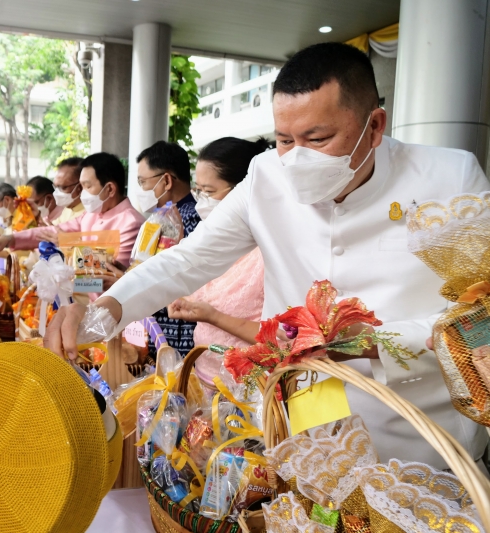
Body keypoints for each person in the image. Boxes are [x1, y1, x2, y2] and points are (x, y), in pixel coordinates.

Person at [46, 42, 490, 470]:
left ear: (375, 126)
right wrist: (104, 310)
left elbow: (479, 317)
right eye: (283, 139)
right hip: (301, 426)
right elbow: (189, 260)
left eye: (318, 138)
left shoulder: (448, 178)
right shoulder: (266, 175)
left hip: (421, 434)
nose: (296, 159)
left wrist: (362, 343)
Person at [168, 137, 270, 349]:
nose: (202, 200)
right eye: (198, 191)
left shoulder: (268, 252)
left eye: (209, 192)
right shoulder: (208, 239)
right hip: (205, 373)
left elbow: (283, 338)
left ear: (243, 190)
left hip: (253, 380)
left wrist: (213, 317)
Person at [0, 153, 145, 272]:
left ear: (109, 189)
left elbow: (112, 274)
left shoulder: (131, 223)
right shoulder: (91, 215)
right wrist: (9, 239)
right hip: (83, 302)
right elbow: (49, 233)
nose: (82, 193)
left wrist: (68, 245)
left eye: (87, 187)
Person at [135, 141, 202, 357]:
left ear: (166, 180)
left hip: (179, 338)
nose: (141, 190)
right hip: (158, 334)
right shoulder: (158, 219)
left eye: (143, 182)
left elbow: (180, 281)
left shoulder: (192, 220)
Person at [50, 157, 85, 225]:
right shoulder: (68, 209)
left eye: (63, 187)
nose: (57, 193)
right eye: (56, 187)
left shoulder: (89, 214)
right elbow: (51, 227)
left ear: (80, 187)